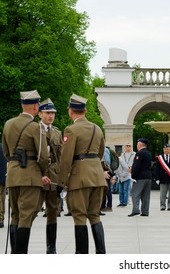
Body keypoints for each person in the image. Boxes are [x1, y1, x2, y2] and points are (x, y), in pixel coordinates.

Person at [2, 90, 50, 253]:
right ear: (36, 107)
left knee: (15, 216)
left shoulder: (8, 124)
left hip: (13, 175)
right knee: (26, 217)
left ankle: (15, 256)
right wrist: (43, 172)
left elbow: (6, 152)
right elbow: (43, 156)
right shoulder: (35, 127)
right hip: (30, 176)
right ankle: (21, 258)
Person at [58, 94, 107, 254]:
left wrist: (61, 183)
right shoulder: (97, 128)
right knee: (94, 216)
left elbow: (66, 159)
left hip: (80, 177)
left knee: (79, 216)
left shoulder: (71, 129)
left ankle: (81, 255)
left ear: (71, 111)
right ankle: (101, 252)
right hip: (97, 176)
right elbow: (100, 154)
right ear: (85, 110)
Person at [37, 98, 63, 253]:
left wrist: (60, 177)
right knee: (31, 210)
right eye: (47, 112)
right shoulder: (33, 130)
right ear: (40, 113)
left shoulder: (57, 132)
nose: (50, 115)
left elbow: (61, 156)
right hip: (37, 174)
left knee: (53, 211)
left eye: (52, 113)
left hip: (53, 175)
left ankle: (51, 247)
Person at [128, 138, 152, 217]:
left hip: (140, 177)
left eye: (138, 144)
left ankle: (136, 210)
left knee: (135, 193)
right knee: (146, 195)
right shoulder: (148, 153)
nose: (137, 146)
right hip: (148, 177)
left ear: (141, 144)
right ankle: (145, 211)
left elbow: (137, 166)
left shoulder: (139, 153)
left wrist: (133, 176)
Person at [155, 143, 170, 211]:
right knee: (163, 194)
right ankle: (162, 206)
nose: (166, 150)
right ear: (163, 150)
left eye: (167, 149)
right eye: (165, 149)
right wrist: (157, 178)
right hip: (162, 178)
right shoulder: (159, 158)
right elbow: (157, 169)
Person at [100, 146, 113, 213]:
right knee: (104, 189)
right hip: (103, 170)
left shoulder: (105, 149)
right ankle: (103, 206)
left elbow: (107, 161)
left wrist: (106, 170)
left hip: (106, 170)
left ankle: (109, 206)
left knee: (108, 189)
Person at [0, 143, 7, 229]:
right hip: (4, 177)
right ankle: (1, 218)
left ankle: (0, 219)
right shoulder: (3, 146)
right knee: (2, 198)